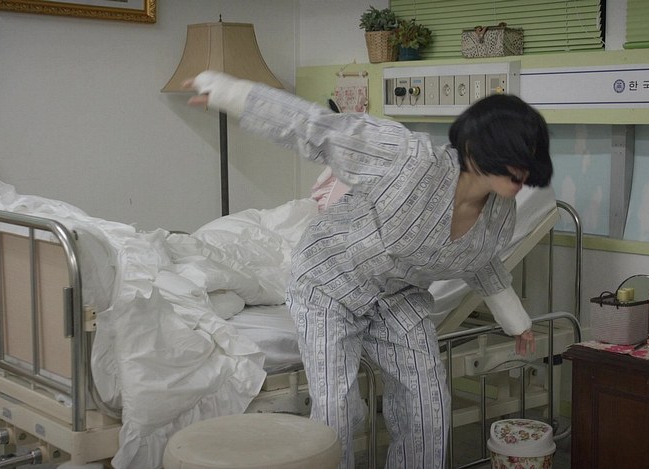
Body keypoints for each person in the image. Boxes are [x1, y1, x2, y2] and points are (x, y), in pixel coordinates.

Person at [185, 71, 553, 469]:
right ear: (475, 146)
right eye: (515, 154)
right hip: (329, 283)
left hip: (398, 297)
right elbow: (319, 128)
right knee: (338, 411)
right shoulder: (408, 159)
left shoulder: (501, 214)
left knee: (427, 406)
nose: (522, 171)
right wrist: (230, 93)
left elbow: (481, 260)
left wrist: (517, 321)